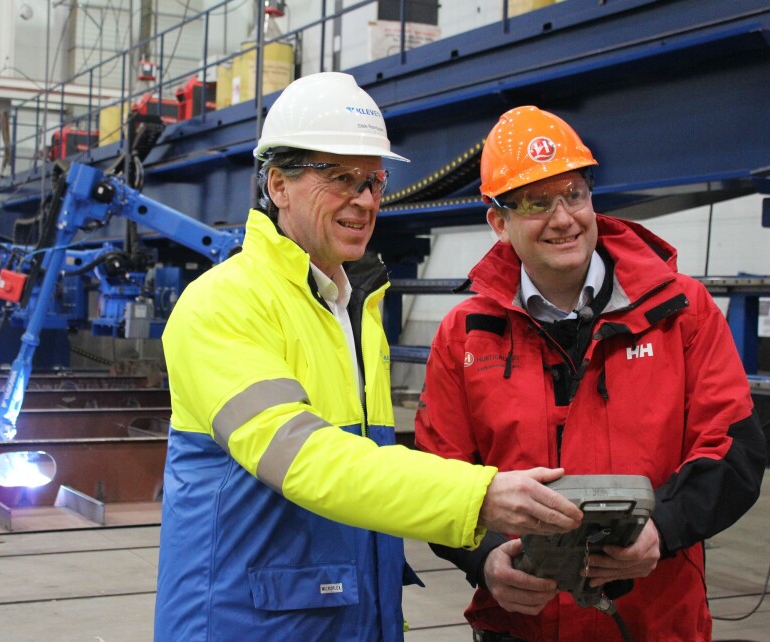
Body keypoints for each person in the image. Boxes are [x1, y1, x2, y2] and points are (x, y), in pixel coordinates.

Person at [153, 75, 584, 641]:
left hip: (350, 618)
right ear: (278, 185)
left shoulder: (355, 309)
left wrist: (483, 554)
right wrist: (477, 497)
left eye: (373, 181)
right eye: (340, 178)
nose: (364, 199)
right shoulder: (223, 303)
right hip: (244, 623)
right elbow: (303, 460)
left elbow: (370, 478)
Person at [415, 105, 768, 641]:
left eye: (574, 194)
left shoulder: (680, 312)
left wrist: (663, 528)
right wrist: (485, 559)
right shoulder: (466, 334)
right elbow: (437, 476)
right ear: (499, 223)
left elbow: (734, 448)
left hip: (654, 622)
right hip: (522, 625)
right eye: (536, 202)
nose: (563, 219)